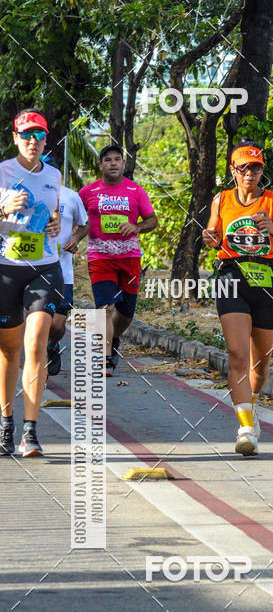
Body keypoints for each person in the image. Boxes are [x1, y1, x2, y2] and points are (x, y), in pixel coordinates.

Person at [202, 140, 273, 456]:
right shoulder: (222, 200)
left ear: (262, 171)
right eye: (243, 168)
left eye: (255, 168)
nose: (249, 173)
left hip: (265, 278)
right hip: (231, 276)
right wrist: (210, 237)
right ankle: (245, 427)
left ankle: (251, 404)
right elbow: (212, 235)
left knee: (261, 363)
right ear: (233, 171)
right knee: (237, 354)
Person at [0, 109, 61, 457]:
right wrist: (4, 210)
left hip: (44, 267)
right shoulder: (2, 173)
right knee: (9, 351)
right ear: (15, 138)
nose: (32, 141)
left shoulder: (54, 175)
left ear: (45, 140)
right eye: (26, 135)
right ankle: (6, 425)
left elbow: (53, 215)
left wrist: (54, 225)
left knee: (36, 344)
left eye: (38, 135)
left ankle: (31, 432)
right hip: (6, 269)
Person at [79, 144, 158, 376]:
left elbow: (152, 220)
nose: (112, 163)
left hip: (130, 258)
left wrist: (136, 226)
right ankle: (104, 359)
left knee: (125, 313)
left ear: (123, 164)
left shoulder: (136, 191)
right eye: (107, 160)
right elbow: (78, 220)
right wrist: (73, 238)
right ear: (100, 165)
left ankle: (112, 339)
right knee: (105, 306)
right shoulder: (88, 192)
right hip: (100, 257)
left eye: (117, 159)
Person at [44, 159, 89, 375]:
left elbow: (84, 223)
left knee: (57, 324)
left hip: (63, 271)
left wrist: (75, 238)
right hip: (33, 270)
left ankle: (52, 346)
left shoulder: (71, 195)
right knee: (37, 320)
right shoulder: (24, 194)